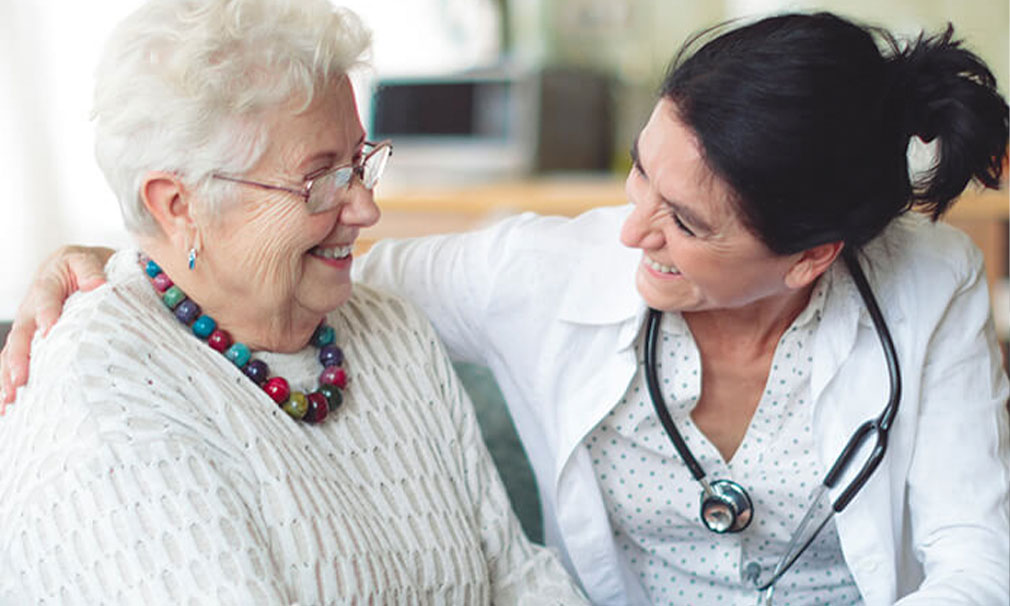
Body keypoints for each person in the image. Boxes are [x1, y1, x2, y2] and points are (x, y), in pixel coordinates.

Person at [3, 10, 1008, 606]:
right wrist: (134, 261)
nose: (627, 235)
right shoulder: (531, 273)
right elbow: (269, 282)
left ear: (809, 257)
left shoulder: (926, 287)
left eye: (686, 226)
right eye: (634, 177)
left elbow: (976, 564)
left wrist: (195, 244)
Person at [0, 0, 590, 604]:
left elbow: (517, 578)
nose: (366, 209)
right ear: (179, 206)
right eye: (321, 180)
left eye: (359, 163)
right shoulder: (105, 403)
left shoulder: (386, 326)